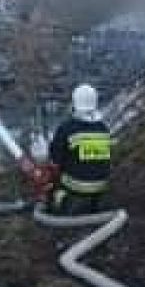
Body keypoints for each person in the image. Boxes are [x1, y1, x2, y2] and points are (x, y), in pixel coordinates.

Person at [45, 83, 112, 216]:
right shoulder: (104, 129)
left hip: (75, 188)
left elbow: (55, 160)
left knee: (51, 188)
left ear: (74, 102)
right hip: (100, 188)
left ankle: (60, 204)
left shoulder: (67, 128)